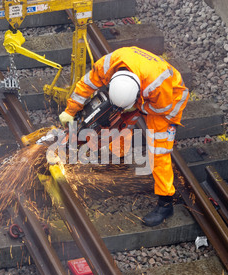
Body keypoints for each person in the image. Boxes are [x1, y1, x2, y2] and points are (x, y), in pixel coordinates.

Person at [59, 46, 189, 227]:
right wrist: (70, 111)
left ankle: (166, 202)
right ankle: (118, 155)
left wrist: (139, 107)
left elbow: (162, 108)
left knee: (159, 151)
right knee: (120, 122)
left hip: (166, 103)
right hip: (139, 95)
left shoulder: (158, 84)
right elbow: (86, 84)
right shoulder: (110, 64)